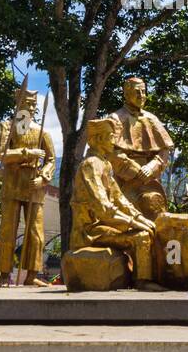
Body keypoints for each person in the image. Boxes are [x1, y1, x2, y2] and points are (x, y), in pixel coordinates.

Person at [70, 117, 163, 290]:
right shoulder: (90, 165)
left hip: (104, 226)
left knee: (150, 230)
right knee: (141, 236)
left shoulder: (104, 164)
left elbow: (120, 199)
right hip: (90, 231)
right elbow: (103, 207)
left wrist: (141, 218)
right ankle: (143, 281)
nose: (115, 141)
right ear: (97, 140)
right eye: (111, 136)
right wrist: (133, 222)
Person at [0, 87, 55, 286]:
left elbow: (51, 159)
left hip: (34, 187)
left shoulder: (42, 131)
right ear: (17, 103)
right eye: (26, 103)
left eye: (33, 104)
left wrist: (44, 178)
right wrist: (27, 153)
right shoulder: (7, 127)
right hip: (12, 184)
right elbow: (1, 155)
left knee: (36, 233)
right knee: (8, 231)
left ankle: (32, 274)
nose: (30, 107)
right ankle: (4, 274)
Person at [106, 77, 175, 220]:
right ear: (126, 94)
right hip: (124, 180)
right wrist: (135, 170)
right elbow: (111, 151)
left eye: (143, 92)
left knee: (155, 213)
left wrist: (152, 167)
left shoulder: (151, 119)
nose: (141, 96)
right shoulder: (116, 118)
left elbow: (164, 150)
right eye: (137, 92)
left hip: (150, 181)